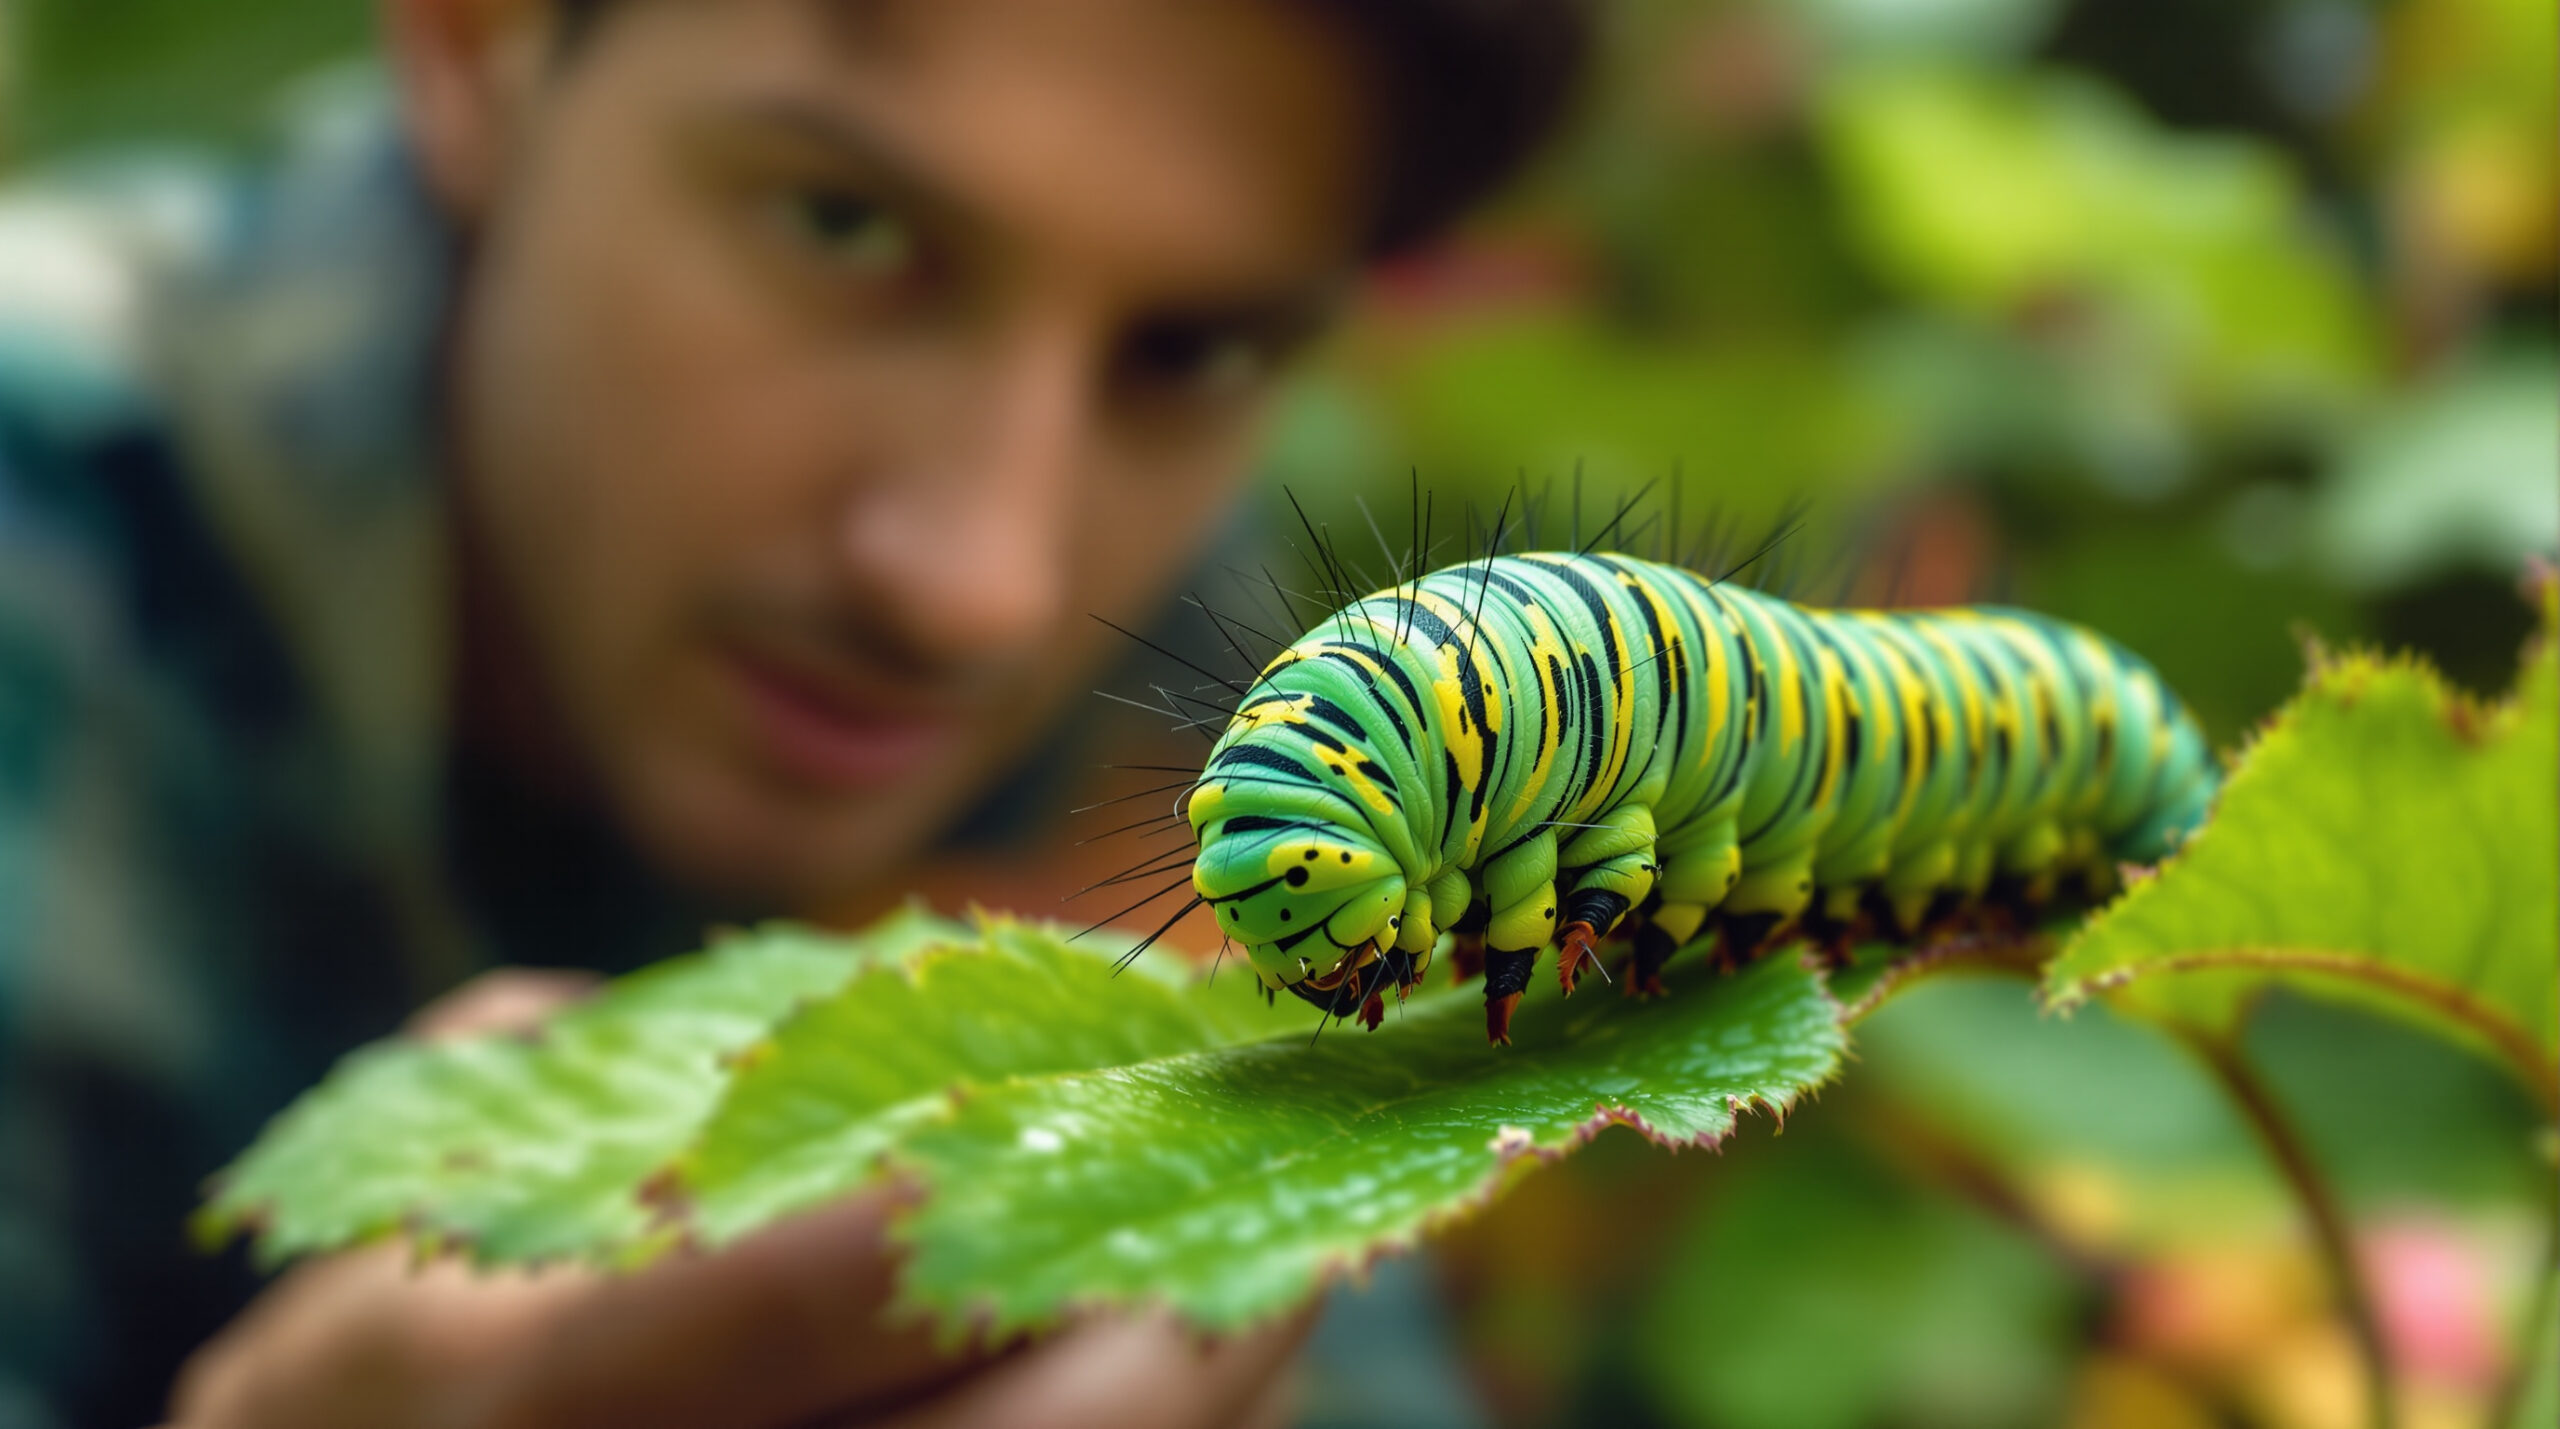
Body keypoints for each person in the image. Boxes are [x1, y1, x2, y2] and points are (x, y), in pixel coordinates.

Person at [0, 0, 1589, 1423]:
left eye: (1186, 351)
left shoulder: (1191, 665)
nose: (979, 587)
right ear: (478, 44)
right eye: (845, 228)